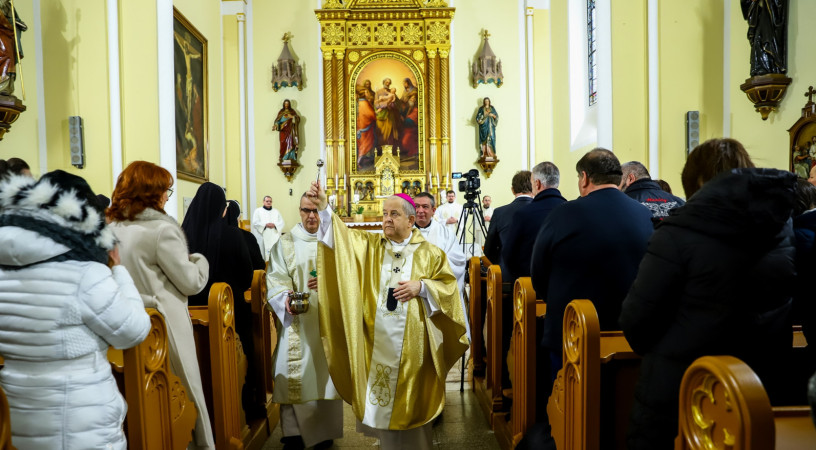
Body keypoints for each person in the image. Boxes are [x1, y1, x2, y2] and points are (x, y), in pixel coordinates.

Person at [620, 138, 797, 449]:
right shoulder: (782, 229)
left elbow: (637, 322)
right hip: (759, 385)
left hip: (682, 389)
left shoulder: (677, 233)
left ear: (696, 181)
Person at [308, 182, 468, 449]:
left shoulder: (430, 253)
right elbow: (340, 239)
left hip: (415, 349)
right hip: (376, 343)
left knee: (414, 412)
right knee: (384, 414)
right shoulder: (371, 246)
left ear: (411, 219)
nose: (386, 219)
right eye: (384, 213)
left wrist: (423, 287)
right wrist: (325, 208)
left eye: (394, 214)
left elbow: (450, 287)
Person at [0, 170, 150, 449]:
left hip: (17, 412)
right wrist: (119, 271)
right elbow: (132, 330)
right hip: (80, 419)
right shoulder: (85, 274)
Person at [108, 161, 215, 449]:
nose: (168, 195)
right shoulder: (159, 231)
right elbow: (191, 282)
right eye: (166, 189)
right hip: (164, 325)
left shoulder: (113, 227)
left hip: (128, 322)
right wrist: (199, 261)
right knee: (187, 395)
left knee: (147, 403)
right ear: (151, 192)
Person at [531, 149, 653, 384]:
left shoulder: (563, 214)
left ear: (584, 178)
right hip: (627, 334)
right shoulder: (643, 214)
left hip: (572, 334)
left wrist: (557, 302)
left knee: (568, 408)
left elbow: (539, 271)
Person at [267, 193, 343, 450]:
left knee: (326, 376)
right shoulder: (285, 243)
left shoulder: (335, 244)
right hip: (297, 324)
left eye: (316, 211)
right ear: (299, 211)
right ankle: (293, 434)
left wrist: (329, 282)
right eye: (306, 210)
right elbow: (275, 279)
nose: (311, 216)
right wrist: (285, 299)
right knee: (293, 373)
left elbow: (352, 279)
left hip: (328, 323)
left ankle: (324, 432)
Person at [414, 192, 469, 340]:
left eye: (425, 207)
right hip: (410, 295)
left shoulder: (445, 233)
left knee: (438, 340)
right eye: (416, 206)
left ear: (434, 210)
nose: (420, 211)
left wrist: (429, 277)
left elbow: (458, 261)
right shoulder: (403, 233)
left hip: (437, 293)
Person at [483, 171, 533, 271]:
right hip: (537, 275)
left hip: (507, 273)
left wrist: (502, 263)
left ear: (513, 190)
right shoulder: (545, 210)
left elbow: (488, 249)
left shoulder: (499, 212)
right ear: (534, 188)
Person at [620, 161, 685, 222]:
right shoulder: (680, 203)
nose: (616, 185)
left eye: (619, 180)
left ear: (631, 178)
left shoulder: (621, 204)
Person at [741, 0, 787, 76]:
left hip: (768, 13)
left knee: (764, 38)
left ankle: (769, 67)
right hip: (759, 12)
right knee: (757, 40)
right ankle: (759, 68)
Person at [0, 0, 25, 96]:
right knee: (6, 56)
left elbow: (14, 20)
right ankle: (2, 86)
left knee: (11, 57)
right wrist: (12, 22)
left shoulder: (9, 5)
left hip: (9, 36)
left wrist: (19, 24)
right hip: (2, 35)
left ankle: (8, 87)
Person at [357, 79, 378, 170]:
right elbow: (371, 115)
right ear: (364, 93)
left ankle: (365, 159)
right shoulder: (364, 103)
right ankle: (358, 162)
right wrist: (377, 113)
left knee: (364, 146)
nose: (368, 93)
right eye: (366, 92)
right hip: (365, 129)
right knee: (365, 146)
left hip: (362, 127)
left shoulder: (360, 103)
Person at [375, 78, 402, 147]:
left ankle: (390, 148)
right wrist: (385, 104)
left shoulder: (392, 92)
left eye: (389, 82)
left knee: (390, 132)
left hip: (390, 115)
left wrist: (393, 105)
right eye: (386, 82)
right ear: (383, 82)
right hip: (382, 115)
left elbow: (397, 103)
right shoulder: (378, 92)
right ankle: (381, 148)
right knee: (381, 133)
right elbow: (376, 104)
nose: (388, 84)